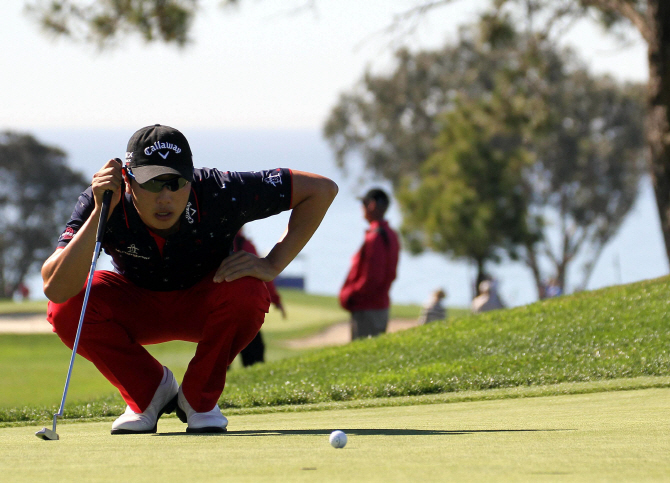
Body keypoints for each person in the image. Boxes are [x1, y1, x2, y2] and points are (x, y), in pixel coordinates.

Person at [41, 124, 337, 435]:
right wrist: (101, 209)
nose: (165, 197)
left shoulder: (220, 190)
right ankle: (149, 393)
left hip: (204, 303)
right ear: (128, 180)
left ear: (191, 176)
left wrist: (273, 264)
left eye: (176, 182)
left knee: (249, 289)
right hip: (137, 306)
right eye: (152, 183)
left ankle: (199, 400)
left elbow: (321, 190)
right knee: (68, 306)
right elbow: (56, 289)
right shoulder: (102, 199)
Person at [339, 188, 400, 340]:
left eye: (363, 204)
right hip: (378, 306)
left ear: (372, 205)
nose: (362, 208)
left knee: (361, 358)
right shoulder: (391, 234)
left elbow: (372, 278)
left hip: (367, 308)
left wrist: (350, 295)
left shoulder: (375, 238)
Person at [232, 228, 286, 367]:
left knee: (216, 362)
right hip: (244, 310)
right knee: (254, 358)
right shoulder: (244, 244)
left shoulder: (208, 242)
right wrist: (276, 299)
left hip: (216, 309)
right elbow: (263, 274)